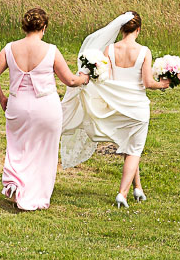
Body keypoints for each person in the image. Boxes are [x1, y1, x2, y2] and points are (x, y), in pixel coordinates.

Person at [60, 11, 169, 207]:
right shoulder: (144, 51)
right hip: (137, 109)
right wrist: (163, 84)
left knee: (130, 145)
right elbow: (147, 82)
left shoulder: (109, 49)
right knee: (135, 149)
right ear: (138, 29)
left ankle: (138, 188)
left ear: (121, 29)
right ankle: (122, 193)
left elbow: (105, 79)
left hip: (117, 107)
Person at [0, 8, 89, 211]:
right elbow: (69, 80)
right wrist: (84, 78)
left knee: (18, 147)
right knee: (44, 150)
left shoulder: (10, 48)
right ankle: (35, 194)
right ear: (44, 27)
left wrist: (2, 98)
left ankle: (16, 183)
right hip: (45, 106)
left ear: (25, 27)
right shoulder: (50, 50)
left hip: (18, 105)